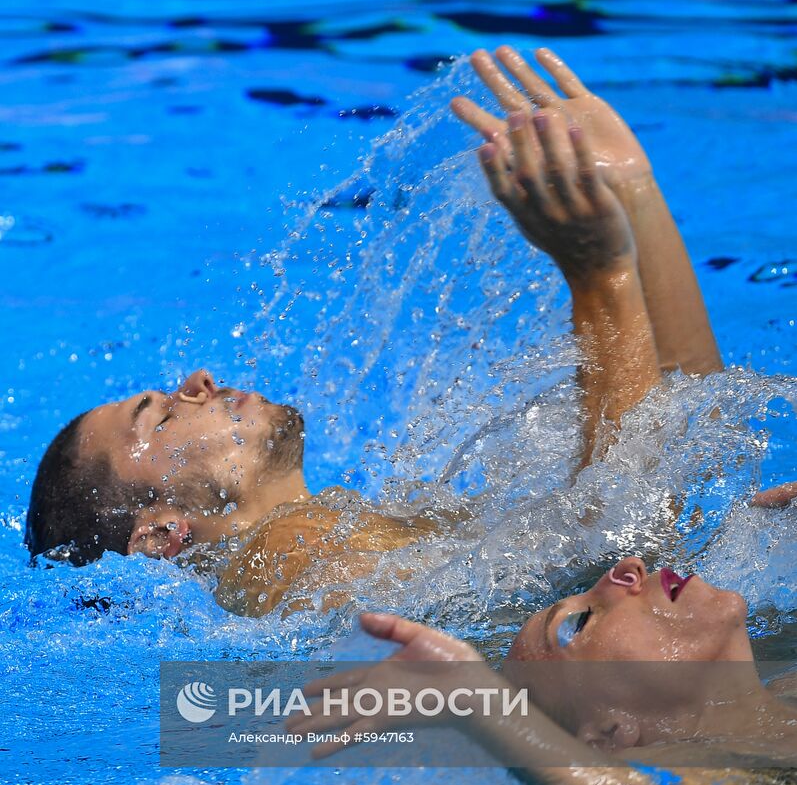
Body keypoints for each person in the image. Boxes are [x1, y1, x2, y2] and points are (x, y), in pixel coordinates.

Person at [23, 48, 776, 617]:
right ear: (160, 534)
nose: (196, 383)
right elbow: (619, 556)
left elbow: (681, 433)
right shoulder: (280, 566)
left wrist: (630, 191)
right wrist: (596, 278)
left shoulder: (352, 527)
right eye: (159, 413)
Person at [286, 563, 797, 785]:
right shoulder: (720, 769)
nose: (626, 570)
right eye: (579, 623)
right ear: (610, 733)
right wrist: (481, 704)